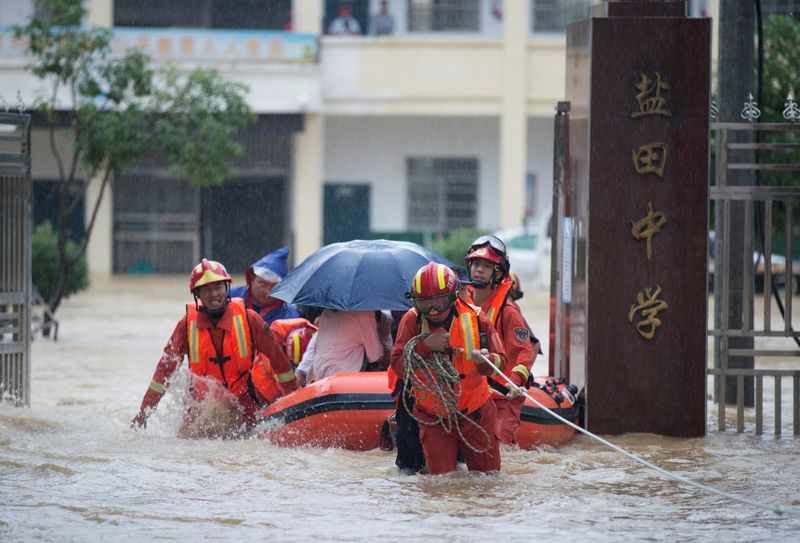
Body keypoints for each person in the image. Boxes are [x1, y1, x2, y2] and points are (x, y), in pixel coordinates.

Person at [131, 259, 298, 436]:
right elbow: (163, 374)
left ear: (227, 287)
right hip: (201, 409)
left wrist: (293, 400)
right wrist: (144, 413)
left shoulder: (250, 320)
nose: (214, 294)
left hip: (244, 408)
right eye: (207, 289)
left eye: (218, 287)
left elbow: (279, 362)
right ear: (197, 294)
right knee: (189, 433)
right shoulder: (186, 325)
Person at [390, 262, 506, 475]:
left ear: (453, 297)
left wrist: (486, 362)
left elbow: (501, 362)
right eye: (426, 305)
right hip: (433, 416)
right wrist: (425, 346)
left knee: (488, 480)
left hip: (476, 413)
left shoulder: (478, 319)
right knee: (442, 483)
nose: (433, 311)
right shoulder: (412, 321)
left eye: (440, 303)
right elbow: (398, 365)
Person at [465, 235, 540, 446]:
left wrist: (514, 382)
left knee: (498, 448)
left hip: (504, 397)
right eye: (476, 264)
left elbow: (524, 353)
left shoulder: (508, 311)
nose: (479, 269)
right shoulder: (460, 304)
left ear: (497, 273)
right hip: (471, 395)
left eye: (486, 266)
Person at [295, 308, 383, 385]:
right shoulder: (365, 314)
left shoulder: (326, 313)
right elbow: (375, 356)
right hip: (343, 384)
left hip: (317, 380)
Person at [229, 247, 300, 325]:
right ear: (252, 279)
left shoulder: (290, 316)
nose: (268, 291)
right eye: (263, 285)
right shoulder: (229, 298)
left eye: (274, 287)